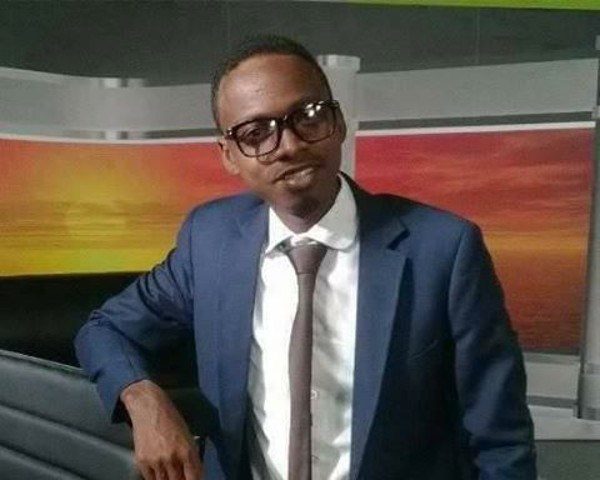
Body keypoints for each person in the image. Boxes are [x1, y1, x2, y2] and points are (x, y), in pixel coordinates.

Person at [75, 35, 537, 480]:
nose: (290, 145)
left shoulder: (444, 250)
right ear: (229, 155)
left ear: (339, 122)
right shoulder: (210, 239)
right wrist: (143, 400)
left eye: (308, 116)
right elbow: (105, 329)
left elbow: (501, 443)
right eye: (256, 133)